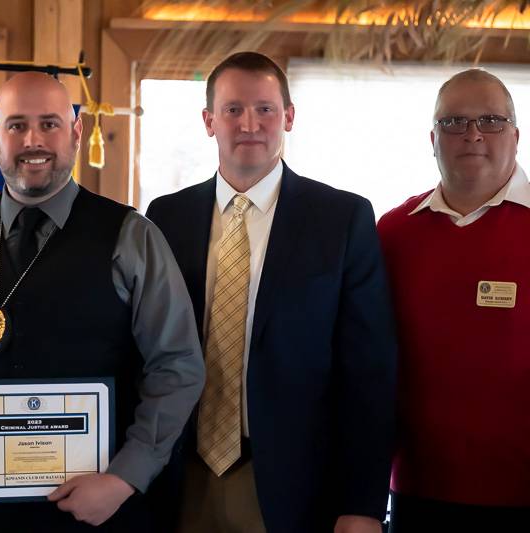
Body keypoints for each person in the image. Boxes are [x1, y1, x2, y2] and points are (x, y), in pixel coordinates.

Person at [0, 71, 205, 532]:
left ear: (76, 132)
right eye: (16, 125)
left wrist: (123, 478)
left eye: (49, 124)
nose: (33, 139)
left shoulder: (131, 237)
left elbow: (178, 367)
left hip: (102, 512)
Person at [146, 52, 397, 533]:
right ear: (208, 121)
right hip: (178, 478)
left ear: (289, 117)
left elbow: (369, 372)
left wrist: (362, 503)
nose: (249, 123)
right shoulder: (165, 217)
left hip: (296, 486)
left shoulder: (342, 220)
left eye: (264, 109)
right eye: (233, 109)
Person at [378, 69, 530, 532]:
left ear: (516, 135)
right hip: (417, 491)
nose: (473, 134)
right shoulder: (391, 232)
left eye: (491, 120)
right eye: (454, 123)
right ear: (432, 137)